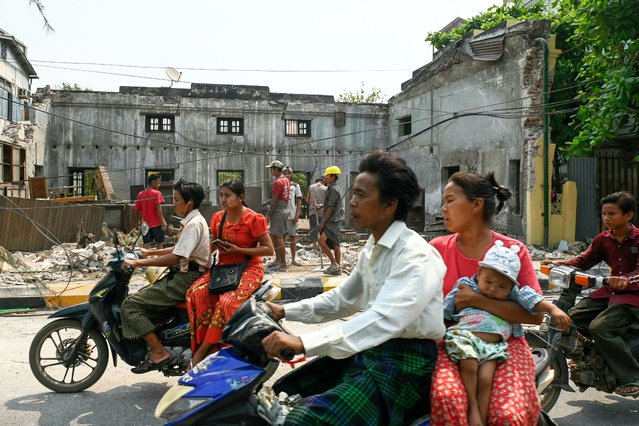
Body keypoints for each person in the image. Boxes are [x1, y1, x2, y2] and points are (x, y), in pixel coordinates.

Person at [261, 151, 446, 425]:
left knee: (302, 420)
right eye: (353, 193)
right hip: (370, 351)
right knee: (278, 394)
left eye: (361, 195)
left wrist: (303, 342)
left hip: (404, 364)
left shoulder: (416, 255)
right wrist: (283, 310)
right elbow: (344, 299)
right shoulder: (373, 247)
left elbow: (384, 319)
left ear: (389, 204)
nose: (353, 201)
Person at [429, 171, 544, 425]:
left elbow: (535, 314)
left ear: (476, 205)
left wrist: (477, 300)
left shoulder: (513, 251)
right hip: (454, 342)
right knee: (447, 399)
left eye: (449, 200)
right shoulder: (436, 248)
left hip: (506, 343)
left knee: (507, 415)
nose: (443, 208)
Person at [444, 240, 571, 426]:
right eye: (487, 281)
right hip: (465, 338)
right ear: (478, 272)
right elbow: (445, 310)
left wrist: (553, 309)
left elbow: (533, 300)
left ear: (510, 287)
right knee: (469, 367)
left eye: (502, 287)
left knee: (486, 379)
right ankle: (472, 409)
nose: (493, 289)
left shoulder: (512, 292)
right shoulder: (465, 285)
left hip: (494, 347)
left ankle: (480, 415)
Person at [545, 190, 639, 397]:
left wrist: (626, 280)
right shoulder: (603, 239)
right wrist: (558, 264)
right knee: (570, 319)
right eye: (604, 214)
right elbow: (583, 261)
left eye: (612, 214)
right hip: (609, 292)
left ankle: (632, 376)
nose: (606, 218)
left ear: (628, 215)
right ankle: (596, 360)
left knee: (600, 327)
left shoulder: (638, 239)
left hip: (633, 297)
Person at [121, 178, 210, 373]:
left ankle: (158, 352)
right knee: (144, 297)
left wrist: (137, 263)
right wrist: (149, 252)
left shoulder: (194, 224)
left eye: (177, 200)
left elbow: (176, 257)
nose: (173, 203)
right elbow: (178, 248)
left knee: (130, 305)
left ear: (189, 202)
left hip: (186, 279)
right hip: (184, 276)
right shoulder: (192, 221)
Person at [186, 179, 274, 366]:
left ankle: (206, 350)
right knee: (195, 294)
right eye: (221, 195)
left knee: (226, 302)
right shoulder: (218, 217)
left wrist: (238, 250)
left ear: (241, 197)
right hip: (224, 268)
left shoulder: (254, 219)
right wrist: (194, 257)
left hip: (248, 268)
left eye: (228, 195)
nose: (223, 199)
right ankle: (203, 344)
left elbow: (268, 249)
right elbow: (214, 245)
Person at [317, 165, 344, 275]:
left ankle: (334, 264)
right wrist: (323, 205)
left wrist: (322, 223)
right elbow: (332, 204)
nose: (325, 178)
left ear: (333, 176)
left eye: (327, 176)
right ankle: (337, 268)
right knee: (336, 244)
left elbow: (332, 207)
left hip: (332, 221)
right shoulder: (335, 188)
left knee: (321, 241)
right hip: (336, 219)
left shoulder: (332, 189)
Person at [265, 160, 290, 272]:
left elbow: (274, 201)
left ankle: (283, 263)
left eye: (271, 168)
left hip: (278, 211)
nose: (271, 170)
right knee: (275, 236)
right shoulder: (286, 180)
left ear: (275, 169)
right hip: (285, 209)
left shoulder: (277, 182)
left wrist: (269, 215)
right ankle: (278, 260)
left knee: (278, 237)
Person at [135, 173, 167, 249]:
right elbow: (158, 208)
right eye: (158, 183)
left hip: (145, 224)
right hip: (157, 224)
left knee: (146, 244)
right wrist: (162, 221)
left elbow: (137, 210)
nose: (159, 185)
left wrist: (137, 221)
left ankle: (145, 260)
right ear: (153, 182)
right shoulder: (157, 193)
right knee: (159, 243)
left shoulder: (140, 194)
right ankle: (160, 260)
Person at [282, 166, 303, 266]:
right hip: (281, 215)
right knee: (281, 237)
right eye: (284, 173)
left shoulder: (295, 185)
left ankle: (293, 259)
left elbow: (299, 200)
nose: (286, 175)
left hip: (292, 214)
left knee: (292, 237)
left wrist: (297, 214)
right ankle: (283, 260)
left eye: (288, 173)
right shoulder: (280, 184)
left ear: (291, 174)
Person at [306, 176, 327, 251]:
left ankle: (315, 248)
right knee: (322, 230)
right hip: (322, 213)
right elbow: (327, 202)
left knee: (313, 229)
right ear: (323, 181)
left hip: (313, 212)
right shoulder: (325, 188)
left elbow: (307, 200)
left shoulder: (311, 187)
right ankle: (322, 248)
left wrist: (312, 203)